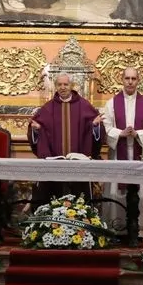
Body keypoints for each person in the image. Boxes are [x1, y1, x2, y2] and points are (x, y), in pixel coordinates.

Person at [28, 72, 104, 204]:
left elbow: (94, 131)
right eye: (59, 84)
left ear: (71, 85)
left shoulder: (84, 105)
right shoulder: (47, 108)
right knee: (53, 199)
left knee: (79, 200)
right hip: (54, 165)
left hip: (79, 164)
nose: (62, 87)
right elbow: (38, 130)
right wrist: (36, 130)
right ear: (56, 86)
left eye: (66, 84)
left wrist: (95, 127)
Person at [101, 67, 143, 237]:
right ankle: (116, 229)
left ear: (138, 81)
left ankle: (139, 231)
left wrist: (137, 134)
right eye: (127, 78)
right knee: (115, 191)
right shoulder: (111, 104)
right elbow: (105, 127)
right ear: (122, 80)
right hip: (118, 155)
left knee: (140, 192)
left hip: (139, 155)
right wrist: (120, 133)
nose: (130, 82)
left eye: (133, 78)